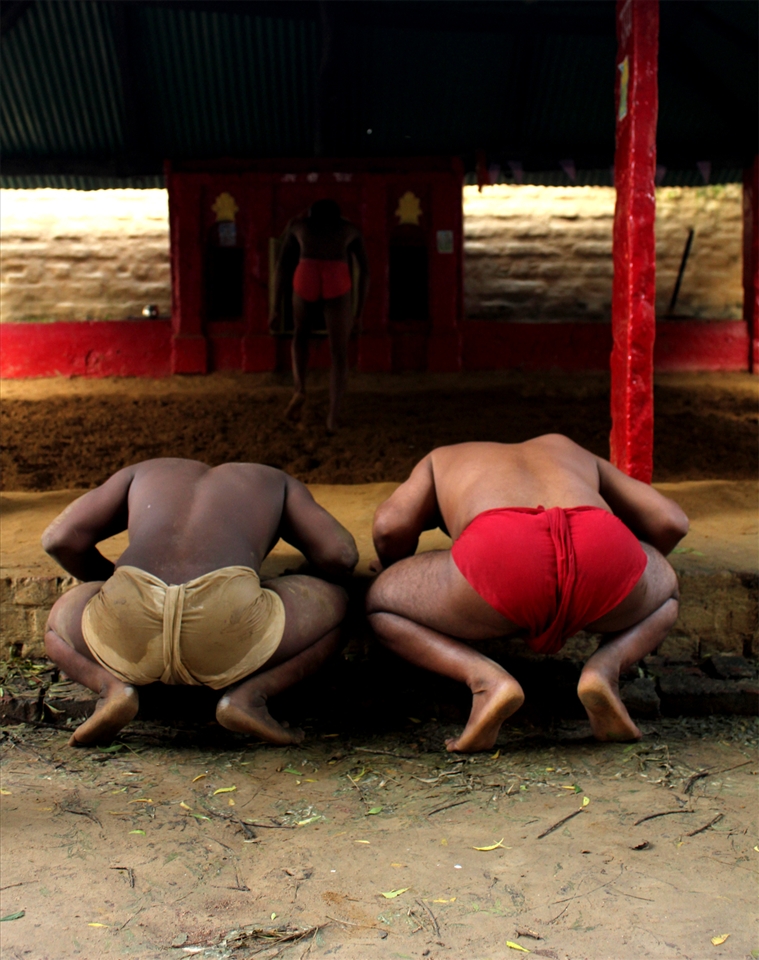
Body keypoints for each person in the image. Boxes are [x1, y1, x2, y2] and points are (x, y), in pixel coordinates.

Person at [366, 435, 689, 753]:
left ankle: (486, 682)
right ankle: (606, 669)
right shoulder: (566, 446)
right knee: (667, 593)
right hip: (602, 542)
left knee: (382, 605)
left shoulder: (441, 458)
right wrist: (627, 575)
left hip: (501, 551)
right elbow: (670, 522)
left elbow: (389, 527)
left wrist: (396, 568)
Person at [42, 459, 358, 747]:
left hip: (129, 612)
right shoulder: (275, 481)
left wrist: (109, 580)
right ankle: (249, 698)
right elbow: (340, 555)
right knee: (341, 606)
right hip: (228, 621)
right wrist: (300, 576)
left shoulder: (144, 471)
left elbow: (59, 539)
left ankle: (112, 690)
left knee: (56, 629)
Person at [270, 199, 369, 432]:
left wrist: (275, 308)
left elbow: (282, 267)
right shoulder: (349, 229)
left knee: (300, 336)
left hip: (306, 273)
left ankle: (299, 389)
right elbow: (365, 271)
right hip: (337, 277)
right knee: (339, 352)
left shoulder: (299, 226)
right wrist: (358, 313)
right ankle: (332, 417)